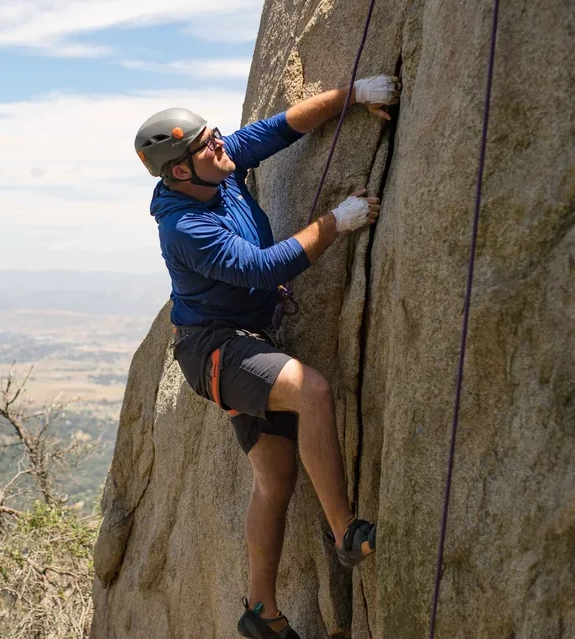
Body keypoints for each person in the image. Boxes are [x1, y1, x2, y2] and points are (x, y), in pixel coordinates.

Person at [134, 74, 400, 639]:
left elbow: (280, 129)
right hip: (215, 350)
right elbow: (261, 268)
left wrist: (353, 95)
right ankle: (345, 530)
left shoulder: (215, 170)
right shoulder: (185, 226)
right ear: (180, 170)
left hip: (241, 344)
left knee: (275, 480)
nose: (221, 144)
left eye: (215, 136)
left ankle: (261, 613)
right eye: (207, 144)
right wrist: (337, 221)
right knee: (312, 389)